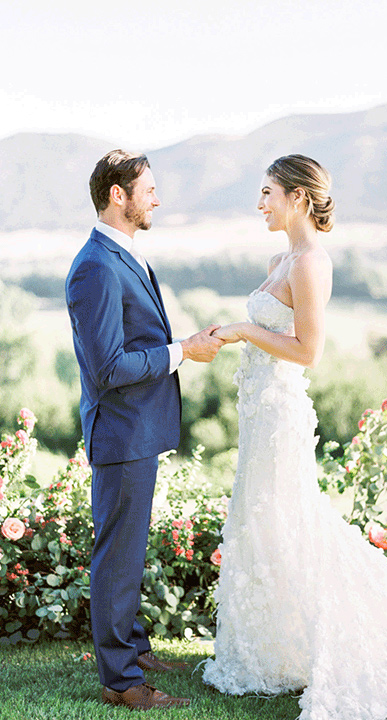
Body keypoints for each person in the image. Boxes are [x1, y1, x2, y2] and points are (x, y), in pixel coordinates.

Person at [203, 154, 387, 719]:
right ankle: (271, 650)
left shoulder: (310, 263)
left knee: (287, 519)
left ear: (299, 198)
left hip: (281, 412)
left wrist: (240, 330)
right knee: (262, 521)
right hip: (261, 413)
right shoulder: (282, 257)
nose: (260, 204)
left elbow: (309, 352)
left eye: (267, 194)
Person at [66, 149, 223, 711]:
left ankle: (130, 641)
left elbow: (133, 341)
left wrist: (182, 347)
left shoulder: (122, 255)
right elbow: (108, 368)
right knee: (117, 553)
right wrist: (183, 351)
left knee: (128, 548)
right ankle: (121, 680)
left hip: (138, 430)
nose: (157, 198)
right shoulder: (95, 266)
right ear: (118, 195)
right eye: (149, 189)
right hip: (121, 433)